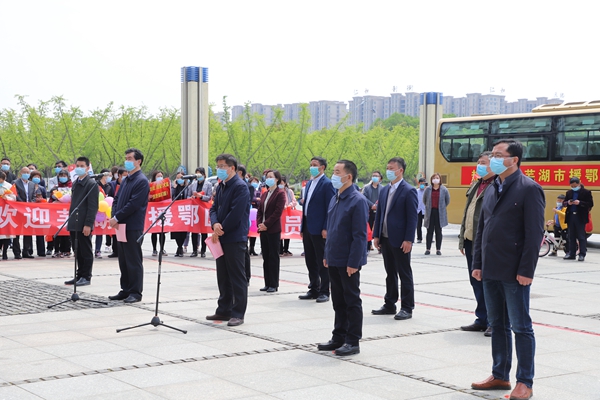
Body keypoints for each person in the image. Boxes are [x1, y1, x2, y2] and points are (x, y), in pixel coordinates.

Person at [471, 139, 545, 400]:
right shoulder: (492, 187)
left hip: (515, 272)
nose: (494, 159)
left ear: (514, 160)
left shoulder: (529, 189)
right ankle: (500, 374)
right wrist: (477, 263)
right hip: (490, 268)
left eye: (499, 154)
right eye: (493, 154)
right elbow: (482, 229)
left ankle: (525, 382)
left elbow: (534, 234)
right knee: (497, 324)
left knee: (521, 327)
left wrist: (527, 270)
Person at [317, 160, 368, 357]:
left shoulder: (357, 200)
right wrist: (327, 254)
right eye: (334, 171)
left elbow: (359, 235)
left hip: (348, 261)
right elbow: (331, 230)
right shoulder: (335, 198)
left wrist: (354, 262)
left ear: (349, 177)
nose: (334, 175)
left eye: (337, 172)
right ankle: (338, 336)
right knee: (338, 300)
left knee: (351, 300)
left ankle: (352, 340)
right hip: (334, 257)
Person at [371, 157, 418, 321]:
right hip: (385, 238)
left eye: (392, 168)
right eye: (387, 168)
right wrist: (376, 235)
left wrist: (408, 239)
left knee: (404, 273)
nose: (388, 171)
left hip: (400, 239)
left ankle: (407, 307)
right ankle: (389, 303)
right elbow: (380, 214)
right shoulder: (384, 190)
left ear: (400, 170)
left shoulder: (408, 190)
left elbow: (412, 218)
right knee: (390, 273)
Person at [207, 154, 250, 327]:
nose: (219, 169)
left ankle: (238, 313)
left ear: (232, 168)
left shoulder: (240, 187)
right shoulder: (221, 186)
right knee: (223, 275)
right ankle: (224, 309)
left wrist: (221, 228)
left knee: (237, 276)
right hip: (221, 236)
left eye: (222, 166)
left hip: (234, 237)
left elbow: (236, 213)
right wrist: (215, 223)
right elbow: (213, 208)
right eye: (218, 166)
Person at [458, 151, 494, 336]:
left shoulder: (496, 186)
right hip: (471, 241)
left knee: (489, 283)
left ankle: (494, 322)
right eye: (478, 162)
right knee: (475, 281)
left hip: (486, 244)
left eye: (483, 163)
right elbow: (467, 212)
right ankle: (482, 318)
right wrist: (462, 239)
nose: (479, 166)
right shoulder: (476, 184)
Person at [108, 148, 150, 303]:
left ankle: (135, 292)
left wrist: (117, 217)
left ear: (138, 161)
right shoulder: (126, 179)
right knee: (123, 260)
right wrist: (114, 216)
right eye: (126, 158)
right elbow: (116, 199)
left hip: (132, 226)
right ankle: (125, 289)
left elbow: (133, 204)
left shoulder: (141, 181)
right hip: (121, 225)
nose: (127, 161)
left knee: (133, 260)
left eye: (130, 158)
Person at [298, 156, 336, 303]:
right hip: (308, 226)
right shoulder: (309, 183)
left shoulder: (327, 184)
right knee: (310, 259)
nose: (312, 167)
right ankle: (314, 287)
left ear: (322, 167)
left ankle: (324, 290)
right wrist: (303, 226)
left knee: (322, 260)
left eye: (315, 165)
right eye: (311, 164)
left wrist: (326, 227)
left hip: (320, 228)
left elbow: (330, 208)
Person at [64, 157, 99, 286]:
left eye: (82, 166)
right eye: (77, 165)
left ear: (88, 168)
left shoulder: (91, 184)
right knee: (77, 250)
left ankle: (86, 276)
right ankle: (79, 275)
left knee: (85, 251)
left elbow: (92, 206)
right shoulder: (75, 183)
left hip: (84, 223)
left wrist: (88, 224)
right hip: (74, 221)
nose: (79, 168)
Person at [256, 169, 286, 293]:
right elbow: (259, 211)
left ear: (277, 179)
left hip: (273, 229)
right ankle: (267, 283)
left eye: (270, 177)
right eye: (267, 177)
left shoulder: (280, 194)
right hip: (263, 229)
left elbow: (277, 212)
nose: (268, 179)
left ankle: (274, 284)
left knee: (273, 257)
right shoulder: (265, 193)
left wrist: (266, 224)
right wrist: (260, 224)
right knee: (266, 256)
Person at [563, 176, 594, 262]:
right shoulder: (569, 192)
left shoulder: (586, 192)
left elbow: (590, 204)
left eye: (575, 186)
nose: (573, 187)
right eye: (572, 186)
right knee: (571, 236)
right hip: (571, 216)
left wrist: (580, 203)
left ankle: (582, 254)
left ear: (579, 184)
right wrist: (568, 203)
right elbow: (564, 203)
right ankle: (571, 253)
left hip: (580, 216)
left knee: (581, 236)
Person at [422, 172, 450, 255]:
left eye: (437, 178)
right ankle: (428, 249)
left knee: (438, 231)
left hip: (439, 212)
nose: (435, 179)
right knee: (429, 230)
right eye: (434, 178)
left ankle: (438, 249)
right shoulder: (428, 189)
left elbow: (447, 200)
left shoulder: (444, 189)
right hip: (430, 212)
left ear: (440, 179)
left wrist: (442, 206)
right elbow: (424, 200)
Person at [12, 167, 35, 259]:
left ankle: (26, 251)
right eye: (24, 172)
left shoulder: (32, 184)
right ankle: (17, 252)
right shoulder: (15, 183)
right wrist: (23, 204)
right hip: (18, 210)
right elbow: (15, 195)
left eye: (28, 172)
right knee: (16, 232)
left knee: (28, 231)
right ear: (20, 173)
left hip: (29, 211)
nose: (26, 174)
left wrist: (31, 204)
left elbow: (33, 196)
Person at [189, 167, 213, 258]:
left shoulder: (208, 184)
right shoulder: (193, 184)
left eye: (200, 174)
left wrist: (201, 196)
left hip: (203, 208)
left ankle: (203, 250)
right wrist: (192, 197)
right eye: (197, 174)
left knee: (203, 231)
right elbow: (188, 195)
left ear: (203, 174)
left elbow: (209, 197)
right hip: (195, 209)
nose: (198, 176)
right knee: (194, 231)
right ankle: (194, 250)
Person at [49, 169, 73, 258]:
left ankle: (66, 250)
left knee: (67, 232)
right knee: (57, 232)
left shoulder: (72, 187)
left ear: (68, 177)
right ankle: (57, 250)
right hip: (57, 214)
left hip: (68, 213)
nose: (62, 177)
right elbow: (51, 200)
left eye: (64, 176)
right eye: (61, 176)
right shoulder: (55, 188)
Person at [237, 164, 254, 283]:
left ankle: (246, 276)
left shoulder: (248, 187)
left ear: (240, 173)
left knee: (244, 249)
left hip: (243, 221)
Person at [107, 167, 127, 258]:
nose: (126, 177)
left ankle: (122, 251)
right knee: (114, 233)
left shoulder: (128, 184)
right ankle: (115, 251)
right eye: (124, 175)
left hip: (124, 210)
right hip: (113, 208)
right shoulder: (112, 184)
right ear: (119, 175)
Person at [362, 171, 383, 252]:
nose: (374, 177)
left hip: (379, 210)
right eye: (373, 175)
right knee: (368, 228)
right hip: (369, 211)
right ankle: (368, 245)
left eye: (376, 176)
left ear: (380, 178)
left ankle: (380, 246)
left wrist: (377, 206)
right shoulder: (366, 188)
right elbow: (364, 197)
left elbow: (383, 198)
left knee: (379, 228)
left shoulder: (382, 188)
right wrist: (372, 205)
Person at [94, 168, 114, 258]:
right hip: (94, 210)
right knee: (90, 231)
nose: (109, 177)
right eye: (108, 175)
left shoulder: (109, 186)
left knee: (100, 231)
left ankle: (97, 250)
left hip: (104, 213)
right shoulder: (95, 185)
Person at [148, 170, 167, 257]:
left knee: (162, 231)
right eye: (158, 176)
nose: (160, 178)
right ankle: (154, 249)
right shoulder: (151, 186)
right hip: (153, 210)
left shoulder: (165, 186)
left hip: (162, 209)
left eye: (161, 176)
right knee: (154, 231)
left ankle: (162, 249)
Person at [171, 172, 190, 257]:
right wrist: (174, 187)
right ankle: (179, 247)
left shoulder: (187, 187)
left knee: (183, 231)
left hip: (184, 211)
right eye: (177, 178)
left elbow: (189, 196)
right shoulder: (174, 187)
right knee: (176, 231)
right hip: (175, 211)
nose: (179, 179)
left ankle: (180, 247)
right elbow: (171, 197)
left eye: (181, 177)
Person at [0, 171, 16, 260]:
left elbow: (14, 197)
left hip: (6, 212)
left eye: (1, 181)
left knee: (6, 233)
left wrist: (7, 198)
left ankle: (5, 252)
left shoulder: (9, 186)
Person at [279, 177, 297, 256]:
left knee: (287, 231)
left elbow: (294, 201)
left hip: (288, 213)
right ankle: (280, 249)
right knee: (280, 231)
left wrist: (289, 205)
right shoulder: (277, 191)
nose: (280, 185)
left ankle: (286, 249)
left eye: (282, 183)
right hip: (279, 214)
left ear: (285, 183)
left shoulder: (289, 191)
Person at [249, 177, 261, 256]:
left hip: (256, 212)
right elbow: (251, 199)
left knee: (254, 230)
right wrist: (256, 199)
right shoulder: (248, 189)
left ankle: (252, 248)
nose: (255, 183)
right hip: (249, 212)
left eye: (256, 181)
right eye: (253, 181)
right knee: (248, 231)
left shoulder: (258, 191)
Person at [416, 178, 427, 243]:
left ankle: (429, 237)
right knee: (418, 225)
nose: (422, 185)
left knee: (428, 225)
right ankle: (419, 238)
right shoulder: (416, 191)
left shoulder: (427, 191)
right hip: (418, 210)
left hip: (425, 210)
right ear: (419, 184)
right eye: (421, 184)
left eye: (423, 184)